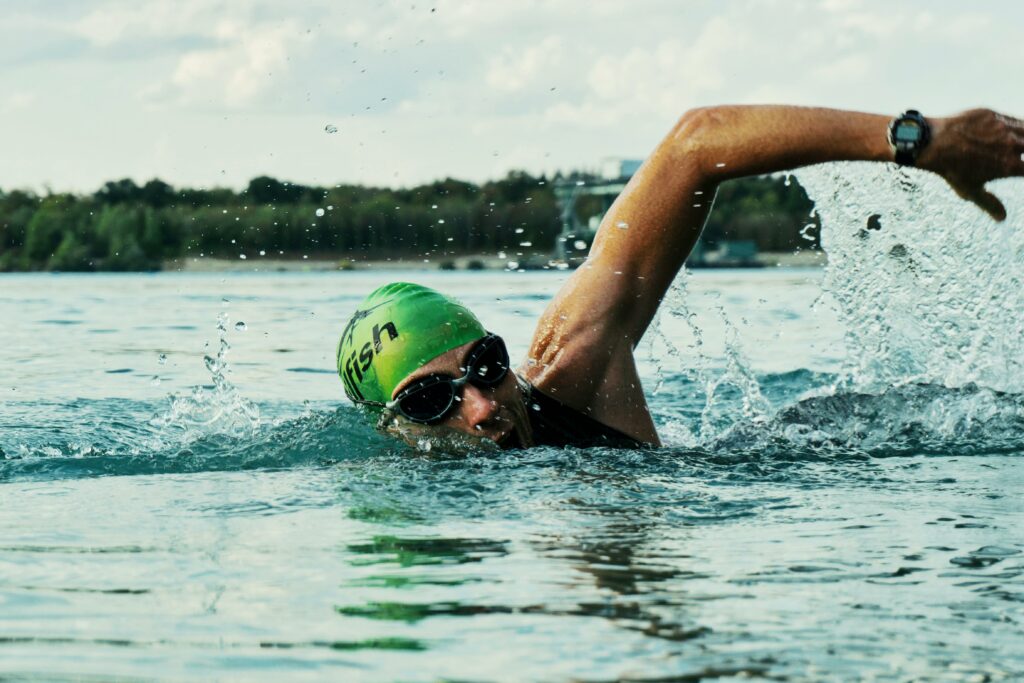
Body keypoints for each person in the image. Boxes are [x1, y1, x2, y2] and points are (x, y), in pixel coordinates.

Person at [337, 105, 1024, 450]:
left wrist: (919, 141)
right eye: (431, 401)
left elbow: (695, 143)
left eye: (485, 365)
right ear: (391, 428)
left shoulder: (574, 365)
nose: (482, 407)